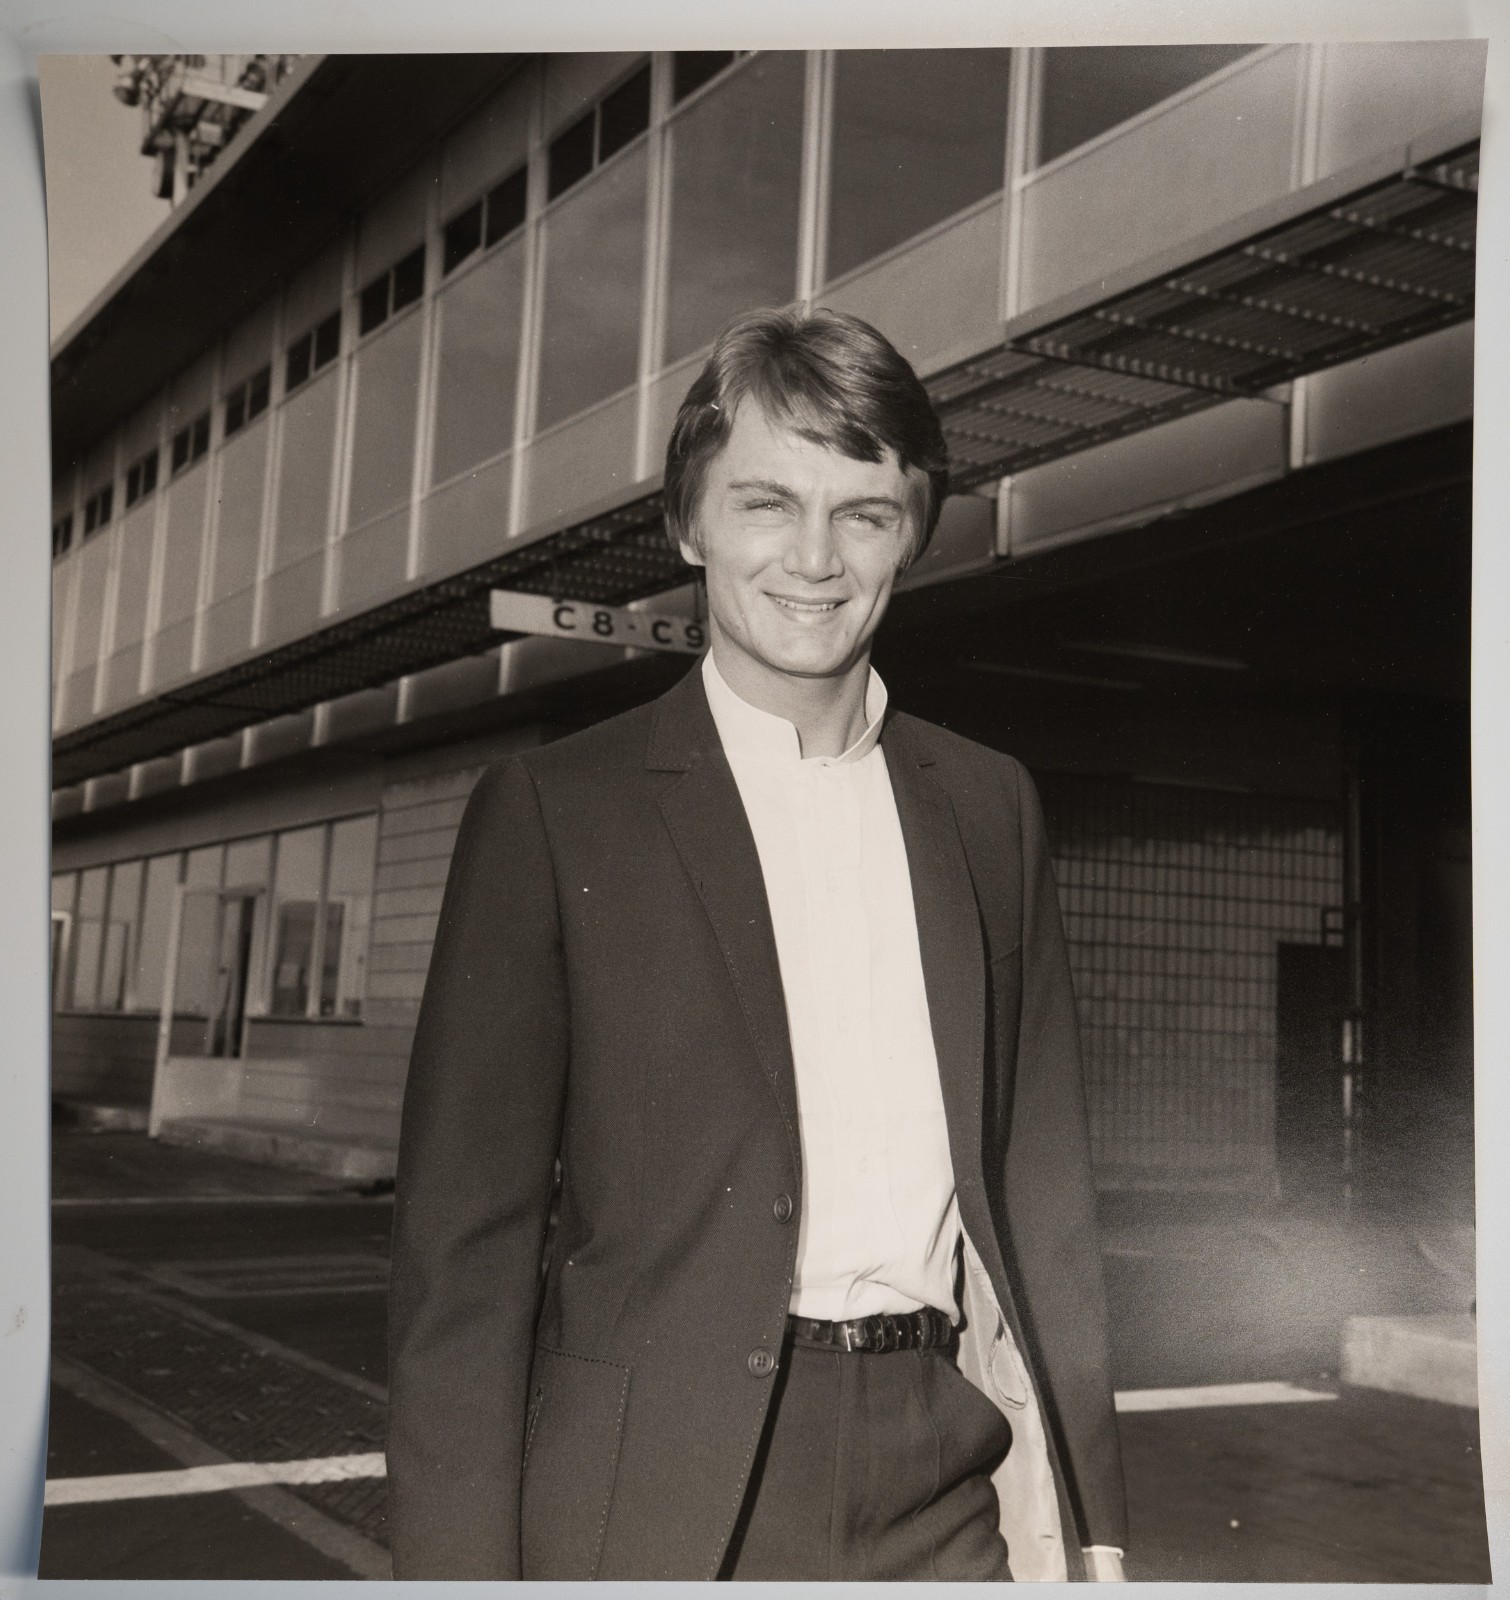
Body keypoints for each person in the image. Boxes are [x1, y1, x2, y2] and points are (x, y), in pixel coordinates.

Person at [386, 306, 1128, 1582]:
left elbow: (1041, 1193)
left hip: (942, 1470)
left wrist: (1094, 1523)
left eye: (863, 512)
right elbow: (464, 1260)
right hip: (662, 1495)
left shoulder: (989, 803)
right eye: (766, 504)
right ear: (689, 523)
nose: (815, 559)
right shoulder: (559, 811)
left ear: (914, 535)